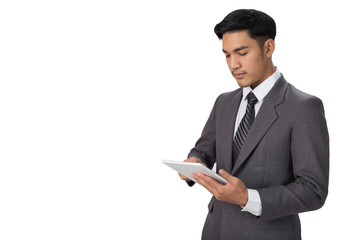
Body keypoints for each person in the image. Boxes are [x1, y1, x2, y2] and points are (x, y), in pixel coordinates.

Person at [178, 9, 329, 240]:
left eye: (242, 52)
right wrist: (195, 162)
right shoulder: (224, 102)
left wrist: (247, 197)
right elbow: (204, 150)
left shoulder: (303, 107)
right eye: (227, 55)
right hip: (215, 230)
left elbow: (313, 190)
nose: (233, 64)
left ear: (268, 48)